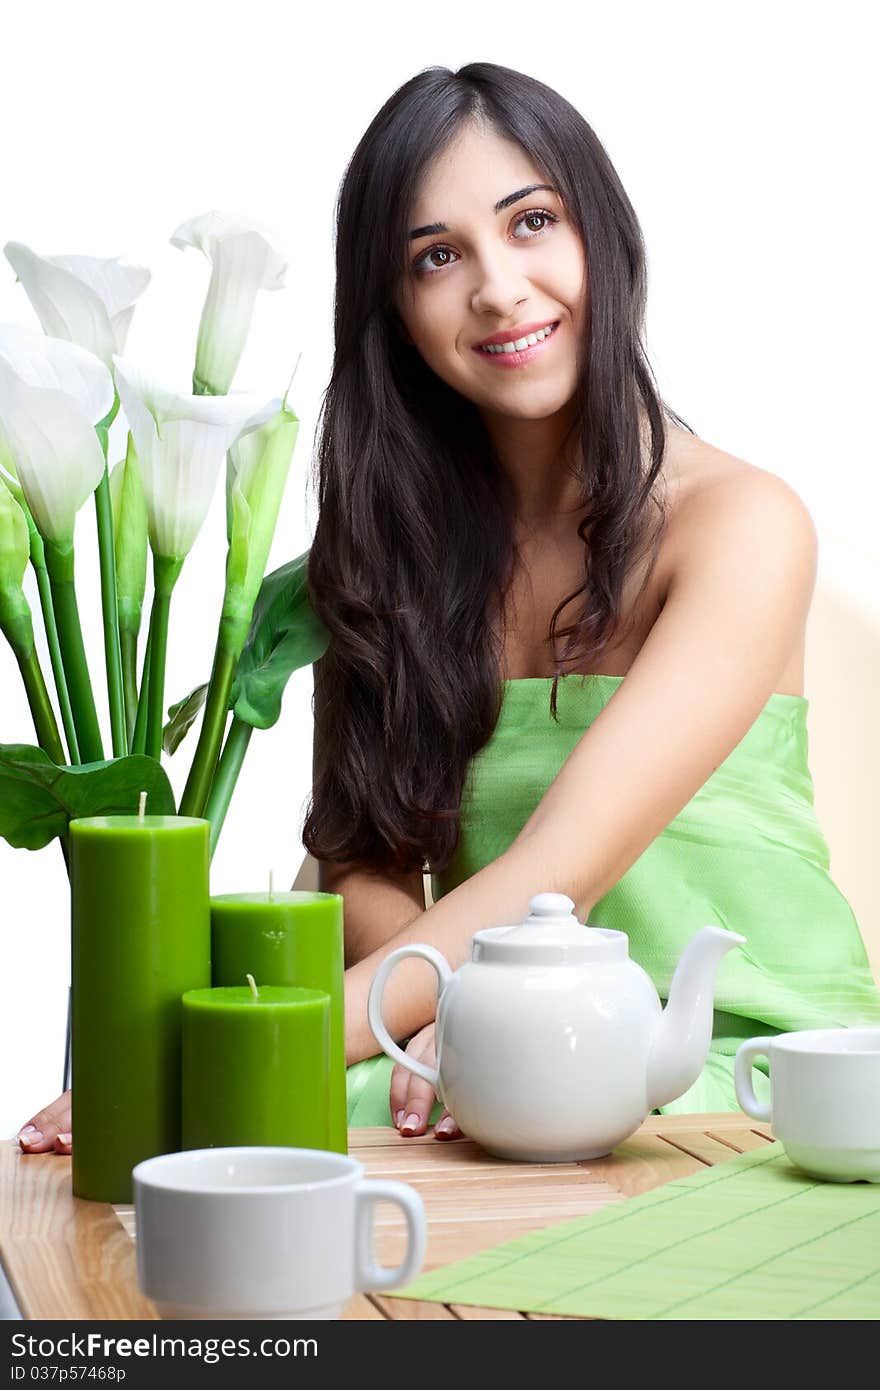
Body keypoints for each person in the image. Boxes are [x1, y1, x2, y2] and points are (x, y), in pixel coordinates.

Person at [18, 61, 880, 1157]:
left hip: (733, 1058)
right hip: (493, 1039)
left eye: (532, 222)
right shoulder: (387, 550)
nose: (499, 288)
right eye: (437, 255)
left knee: (214, 1102)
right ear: (394, 307)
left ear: (603, 239)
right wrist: (426, 1029)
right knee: (195, 1144)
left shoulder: (741, 523)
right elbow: (363, 854)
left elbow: (560, 867)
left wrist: (233, 1046)